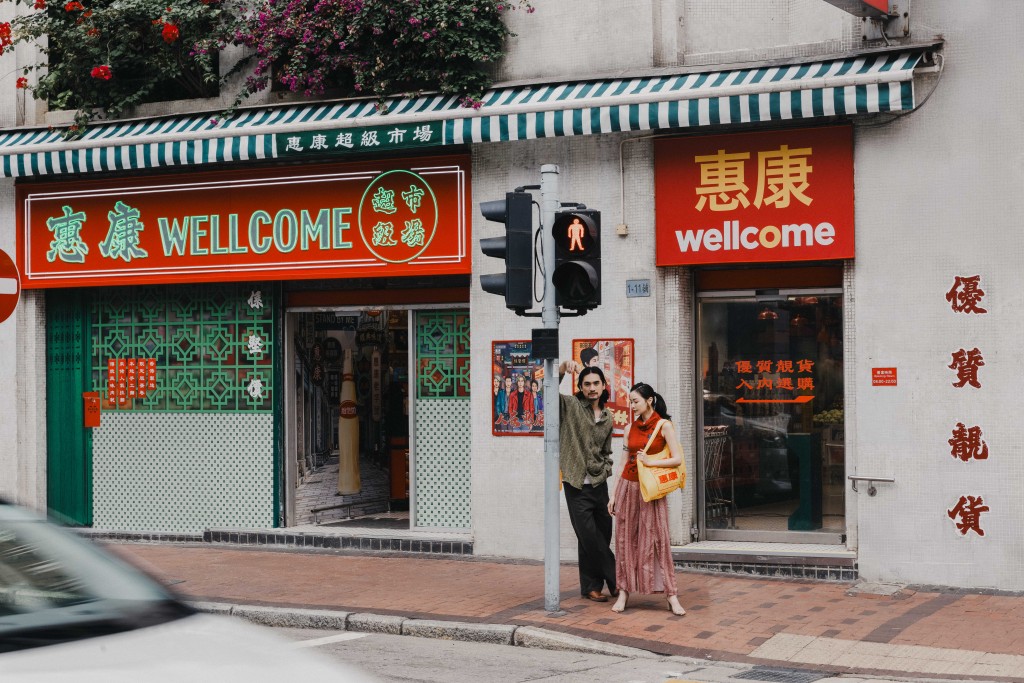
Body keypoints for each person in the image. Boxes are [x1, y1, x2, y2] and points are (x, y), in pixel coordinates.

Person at [608, 382, 685, 616]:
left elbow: (677, 459)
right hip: (627, 488)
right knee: (624, 541)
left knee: (658, 540)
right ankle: (623, 591)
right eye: (630, 401)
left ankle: (672, 595)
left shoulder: (664, 426)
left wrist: (652, 462)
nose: (631, 405)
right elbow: (623, 462)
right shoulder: (630, 427)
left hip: (650, 490)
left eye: (635, 401)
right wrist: (613, 494)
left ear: (649, 400)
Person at [558, 359, 617, 602]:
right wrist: (561, 369)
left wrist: (605, 469)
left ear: (604, 385)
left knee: (600, 535)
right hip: (575, 484)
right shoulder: (570, 405)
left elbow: (606, 450)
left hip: (599, 483)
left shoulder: (608, 416)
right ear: (581, 387)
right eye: (587, 384)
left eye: (596, 383)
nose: (592, 388)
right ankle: (617, 579)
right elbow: (545, 391)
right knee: (590, 536)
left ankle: (591, 587)